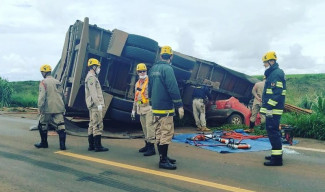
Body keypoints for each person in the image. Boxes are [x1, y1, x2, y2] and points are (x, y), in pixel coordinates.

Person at [148, 45, 184, 170]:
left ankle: (163, 156)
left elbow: (149, 88)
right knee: (166, 133)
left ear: (160, 55)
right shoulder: (168, 69)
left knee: (158, 132)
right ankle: (163, 161)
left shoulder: (153, 69)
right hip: (166, 108)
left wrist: (152, 103)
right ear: (171, 56)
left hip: (156, 107)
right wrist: (179, 105)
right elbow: (172, 88)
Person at [260, 51, 286, 166]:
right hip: (272, 108)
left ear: (271, 61)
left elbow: (277, 93)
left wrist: (268, 107)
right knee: (273, 132)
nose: (264, 65)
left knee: (273, 132)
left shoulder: (276, 74)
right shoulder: (273, 73)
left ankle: (277, 160)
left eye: (265, 62)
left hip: (273, 109)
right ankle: (276, 155)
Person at [35, 64, 66, 150]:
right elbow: (63, 96)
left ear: (44, 73)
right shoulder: (58, 82)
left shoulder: (43, 82)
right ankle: (62, 146)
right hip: (59, 107)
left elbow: (42, 97)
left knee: (42, 125)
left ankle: (44, 143)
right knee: (61, 126)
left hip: (47, 109)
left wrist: (40, 108)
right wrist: (63, 105)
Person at [131, 63, 156, 156]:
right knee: (144, 128)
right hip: (140, 108)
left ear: (146, 71)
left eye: (144, 71)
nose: (142, 73)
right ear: (137, 72)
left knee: (150, 127)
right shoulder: (137, 83)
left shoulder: (150, 81)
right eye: (140, 71)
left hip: (149, 108)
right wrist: (133, 109)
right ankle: (147, 144)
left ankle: (151, 147)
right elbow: (136, 97)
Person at [85, 58, 108, 152]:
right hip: (95, 105)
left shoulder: (91, 77)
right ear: (93, 67)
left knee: (92, 124)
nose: (99, 68)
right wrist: (98, 104)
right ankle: (98, 146)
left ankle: (91, 145)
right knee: (98, 124)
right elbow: (93, 93)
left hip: (92, 104)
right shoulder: (91, 78)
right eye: (98, 67)